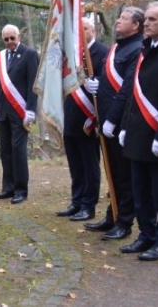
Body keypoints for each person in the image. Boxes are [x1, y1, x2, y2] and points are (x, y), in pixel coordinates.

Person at [117, 2, 158, 261]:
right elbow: (134, 95)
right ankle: (146, 235)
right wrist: (124, 126)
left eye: (153, 20)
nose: (146, 23)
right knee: (140, 191)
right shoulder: (146, 50)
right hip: (136, 134)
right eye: (145, 19)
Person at [83, 6, 144, 241]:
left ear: (136, 25)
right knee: (112, 173)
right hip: (106, 118)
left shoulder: (137, 49)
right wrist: (95, 82)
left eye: (124, 18)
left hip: (120, 122)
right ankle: (113, 213)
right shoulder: (117, 46)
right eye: (118, 17)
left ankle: (125, 220)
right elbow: (108, 79)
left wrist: (111, 120)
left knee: (123, 174)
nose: (118, 21)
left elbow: (127, 89)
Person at [56, 18, 108, 222]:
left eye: (84, 28)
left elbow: (110, 83)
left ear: (93, 30)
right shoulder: (71, 55)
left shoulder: (102, 53)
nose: (80, 32)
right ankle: (76, 201)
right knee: (75, 165)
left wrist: (99, 84)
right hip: (70, 116)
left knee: (89, 165)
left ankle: (88, 205)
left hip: (89, 119)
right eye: (77, 29)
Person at [0, 24, 38, 204]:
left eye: (12, 38)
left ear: (19, 37)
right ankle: (8, 187)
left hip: (21, 111)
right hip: (3, 111)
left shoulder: (29, 54)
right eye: (6, 39)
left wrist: (31, 110)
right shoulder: (0, 58)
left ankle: (21, 190)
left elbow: (32, 85)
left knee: (18, 150)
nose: (10, 42)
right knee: (6, 151)